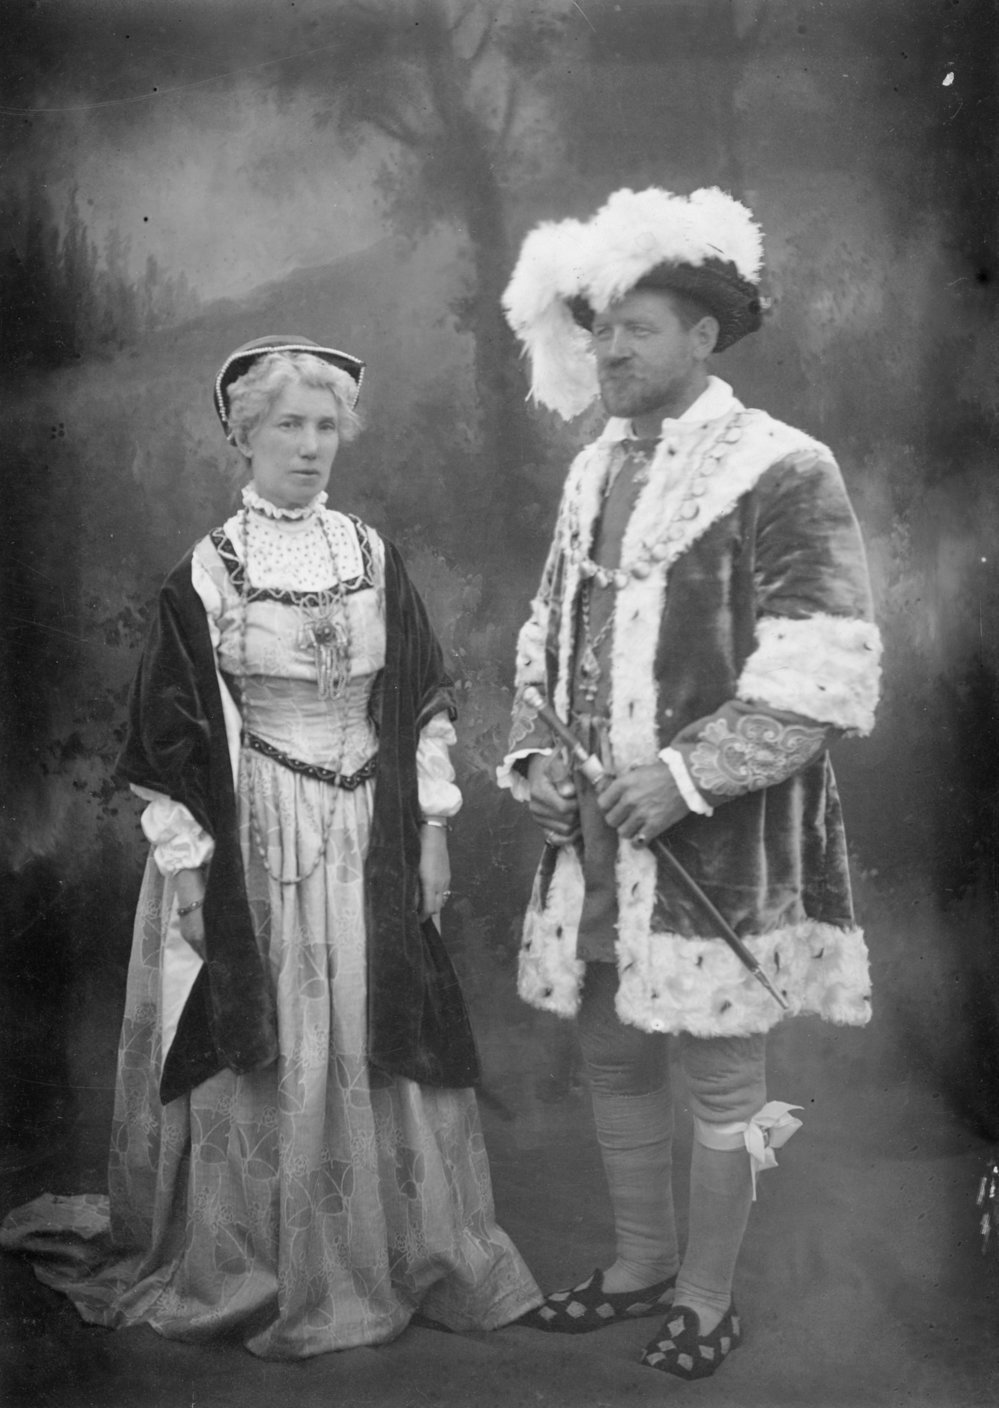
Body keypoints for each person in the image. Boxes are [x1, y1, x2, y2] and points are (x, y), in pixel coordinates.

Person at [1, 335, 539, 1357]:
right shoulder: (207, 571)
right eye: (287, 424)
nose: (310, 445)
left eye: (325, 424)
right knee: (270, 1035)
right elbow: (167, 738)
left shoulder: (373, 554)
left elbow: (421, 694)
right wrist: (192, 869)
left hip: (366, 833)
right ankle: (269, 1256)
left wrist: (430, 828)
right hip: (254, 835)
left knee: (378, 1025)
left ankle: (395, 1249)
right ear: (243, 435)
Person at [497, 188, 881, 1379]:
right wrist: (539, 761)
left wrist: (682, 776)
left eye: (638, 327)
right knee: (615, 1050)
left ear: (705, 337)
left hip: (722, 837)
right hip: (600, 837)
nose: (608, 349)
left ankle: (706, 1298)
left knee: (720, 1067)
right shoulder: (591, 473)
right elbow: (544, 639)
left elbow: (825, 668)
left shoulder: (782, 467)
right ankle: (638, 1264)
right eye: (599, 328)